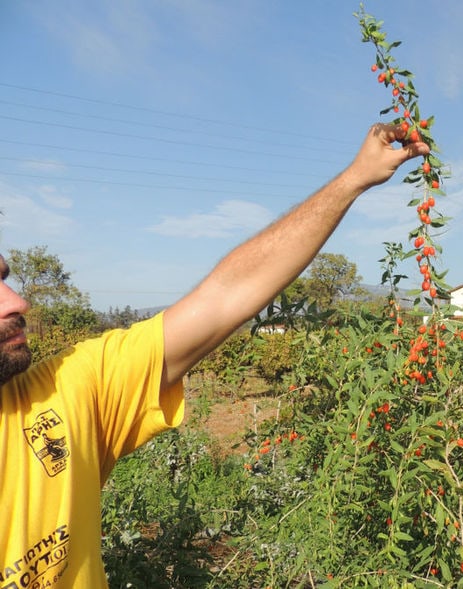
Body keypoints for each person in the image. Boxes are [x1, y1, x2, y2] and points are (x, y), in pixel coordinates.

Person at [0, 123, 429, 588]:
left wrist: (353, 179)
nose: (17, 303)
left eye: (5, 279)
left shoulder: (66, 390)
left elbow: (227, 296)